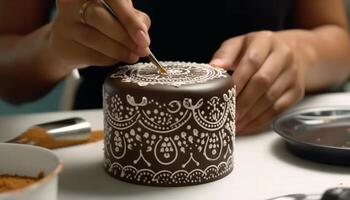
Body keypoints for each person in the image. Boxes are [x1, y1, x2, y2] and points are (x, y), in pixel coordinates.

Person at [0, 0, 350, 135]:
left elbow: (339, 41)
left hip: (260, 147)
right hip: (107, 153)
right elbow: (7, 73)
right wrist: (54, 49)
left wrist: (299, 53)